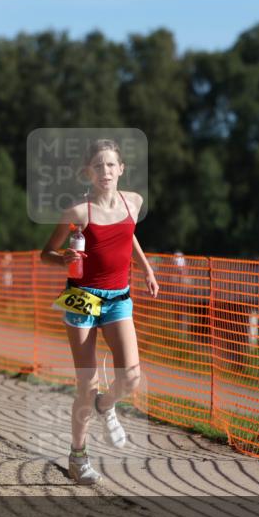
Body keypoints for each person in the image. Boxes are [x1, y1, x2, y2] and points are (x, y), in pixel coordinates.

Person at [40, 139, 159, 485]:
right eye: (98, 166)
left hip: (118, 298)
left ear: (121, 169)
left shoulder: (133, 202)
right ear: (87, 172)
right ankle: (78, 457)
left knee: (131, 378)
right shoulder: (78, 212)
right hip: (82, 298)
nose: (105, 171)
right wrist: (63, 258)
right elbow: (46, 253)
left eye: (110, 165)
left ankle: (106, 406)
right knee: (86, 384)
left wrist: (146, 269)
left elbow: (127, 234)